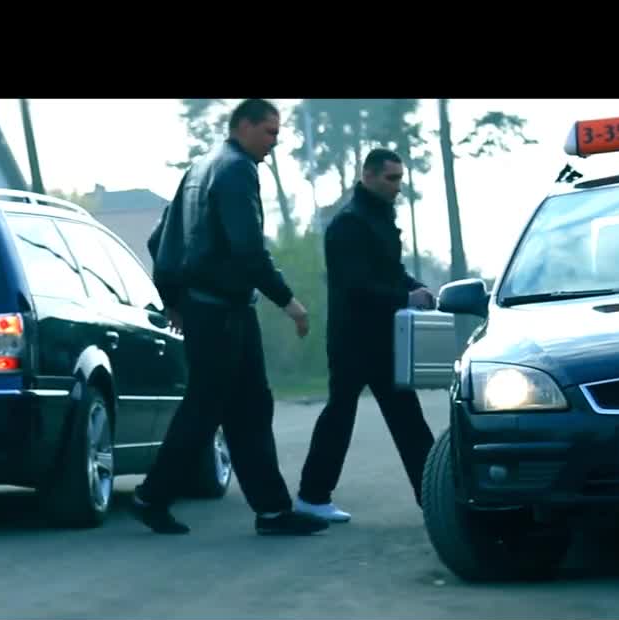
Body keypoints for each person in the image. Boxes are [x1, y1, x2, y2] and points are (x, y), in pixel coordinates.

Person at [130, 98, 329, 537]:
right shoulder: (236, 170)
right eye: (269, 132)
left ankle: (271, 511)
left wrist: (175, 299)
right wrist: (289, 301)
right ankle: (153, 496)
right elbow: (248, 250)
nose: (274, 142)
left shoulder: (200, 167)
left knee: (243, 408)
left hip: (213, 309)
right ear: (244, 126)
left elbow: (158, 240)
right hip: (223, 312)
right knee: (213, 409)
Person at [293, 148, 437, 523]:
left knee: (407, 419)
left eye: (400, 178)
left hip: (383, 339)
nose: (398, 186)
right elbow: (355, 285)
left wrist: (415, 287)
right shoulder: (348, 224)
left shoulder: (378, 218)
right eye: (391, 178)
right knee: (340, 416)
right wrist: (405, 297)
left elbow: (390, 272)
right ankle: (312, 497)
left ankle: (435, 498)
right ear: (368, 176)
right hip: (353, 341)